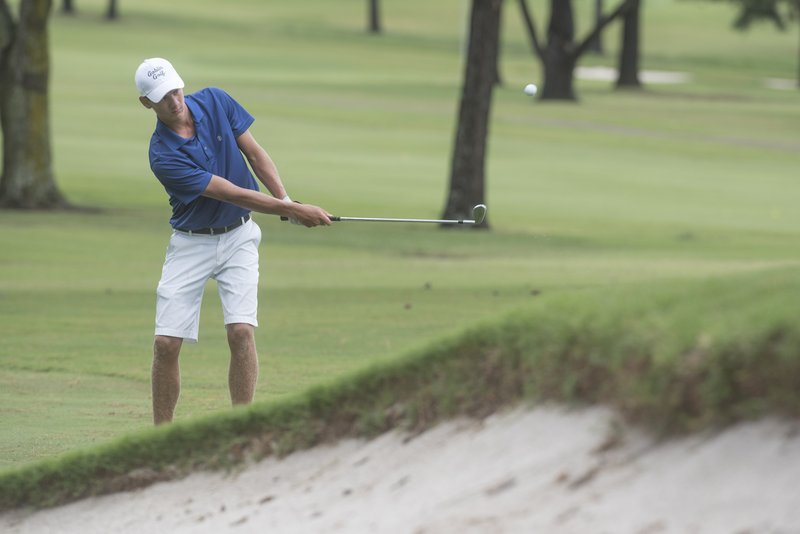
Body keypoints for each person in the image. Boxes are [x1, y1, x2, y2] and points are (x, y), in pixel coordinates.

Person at [134, 57, 331, 424]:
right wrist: (291, 212)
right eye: (163, 97)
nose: (175, 101)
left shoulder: (215, 101)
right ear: (147, 103)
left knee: (241, 332)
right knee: (165, 343)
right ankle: (161, 436)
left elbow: (255, 154)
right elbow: (230, 193)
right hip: (191, 244)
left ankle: (241, 428)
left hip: (239, 237)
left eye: (176, 90)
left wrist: (287, 203)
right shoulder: (162, 155)